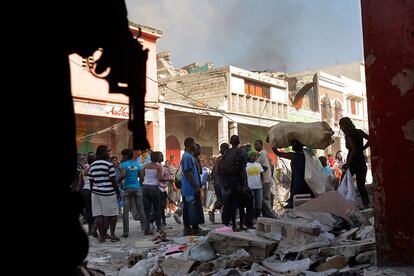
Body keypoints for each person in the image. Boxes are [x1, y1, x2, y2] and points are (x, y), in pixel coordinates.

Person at [89, 145, 121, 242]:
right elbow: (113, 180)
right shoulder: (108, 165)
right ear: (103, 153)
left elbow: (91, 181)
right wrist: (118, 192)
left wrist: (94, 191)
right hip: (108, 193)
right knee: (113, 214)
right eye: (107, 151)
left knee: (99, 215)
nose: (109, 153)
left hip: (95, 193)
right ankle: (112, 235)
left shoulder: (92, 165)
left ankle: (101, 237)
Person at [339, 117, 370, 208]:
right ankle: (366, 204)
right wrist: (363, 148)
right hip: (361, 161)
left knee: (343, 183)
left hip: (352, 162)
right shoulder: (359, 132)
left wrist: (348, 163)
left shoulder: (348, 134)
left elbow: (354, 148)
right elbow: (370, 139)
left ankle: (343, 204)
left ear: (345, 125)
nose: (341, 128)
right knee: (361, 186)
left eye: (341, 126)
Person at [272, 140, 314, 208]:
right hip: (306, 183)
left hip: (297, 183)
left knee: (294, 204)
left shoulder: (293, 155)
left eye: (294, 144)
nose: (293, 146)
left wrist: (272, 145)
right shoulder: (307, 156)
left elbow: (278, 153)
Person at [220, 135, 249, 231]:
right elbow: (242, 169)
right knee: (242, 203)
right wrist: (245, 184)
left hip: (228, 182)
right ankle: (241, 224)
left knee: (231, 204)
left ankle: (233, 225)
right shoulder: (241, 152)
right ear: (238, 142)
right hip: (238, 181)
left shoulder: (226, 152)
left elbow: (222, 169)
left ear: (230, 142)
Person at [118, 148, 149, 237]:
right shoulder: (137, 164)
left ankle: (126, 232)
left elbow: (123, 175)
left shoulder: (124, 165)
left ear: (126, 156)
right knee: (140, 209)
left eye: (123, 156)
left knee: (126, 212)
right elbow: (141, 177)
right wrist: (139, 185)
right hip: (137, 188)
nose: (122, 157)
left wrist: (118, 181)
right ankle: (145, 229)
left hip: (127, 189)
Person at [181, 137, 205, 236]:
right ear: (189, 144)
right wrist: (195, 186)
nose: (195, 145)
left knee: (188, 208)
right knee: (192, 208)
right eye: (194, 143)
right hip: (190, 187)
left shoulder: (190, 157)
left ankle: (189, 228)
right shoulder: (186, 156)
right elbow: (187, 172)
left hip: (190, 187)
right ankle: (194, 228)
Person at [139, 151, 165, 233]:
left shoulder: (145, 166)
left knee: (147, 209)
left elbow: (141, 175)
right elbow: (160, 178)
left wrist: (143, 183)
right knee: (157, 208)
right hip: (154, 187)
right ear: (157, 158)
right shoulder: (159, 166)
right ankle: (159, 227)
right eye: (160, 156)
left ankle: (147, 228)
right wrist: (169, 179)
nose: (161, 157)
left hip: (145, 187)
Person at [254, 139, 278, 218]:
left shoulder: (263, 154)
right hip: (265, 179)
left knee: (265, 199)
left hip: (265, 180)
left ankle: (272, 214)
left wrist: (256, 172)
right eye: (255, 144)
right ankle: (266, 214)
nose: (255, 146)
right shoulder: (261, 154)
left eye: (257, 144)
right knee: (264, 199)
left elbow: (265, 167)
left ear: (261, 145)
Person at [208, 143, 229, 223]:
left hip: (219, 183)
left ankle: (216, 213)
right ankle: (218, 214)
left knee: (222, 200)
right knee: (223, 200)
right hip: (221, 183)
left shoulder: (220, 159)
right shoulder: (221, 159)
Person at [246, 150, 264, 222]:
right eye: (253, 156)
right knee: (252, 204)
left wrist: (263, 183)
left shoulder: (258, 165)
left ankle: (258, 218)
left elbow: (262, 175)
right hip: (250, 187)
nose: (254, 157)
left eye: (255, 156)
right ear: (249, 157)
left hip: (259, 187)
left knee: (259, 203)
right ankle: (252, 219)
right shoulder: (246, 165)